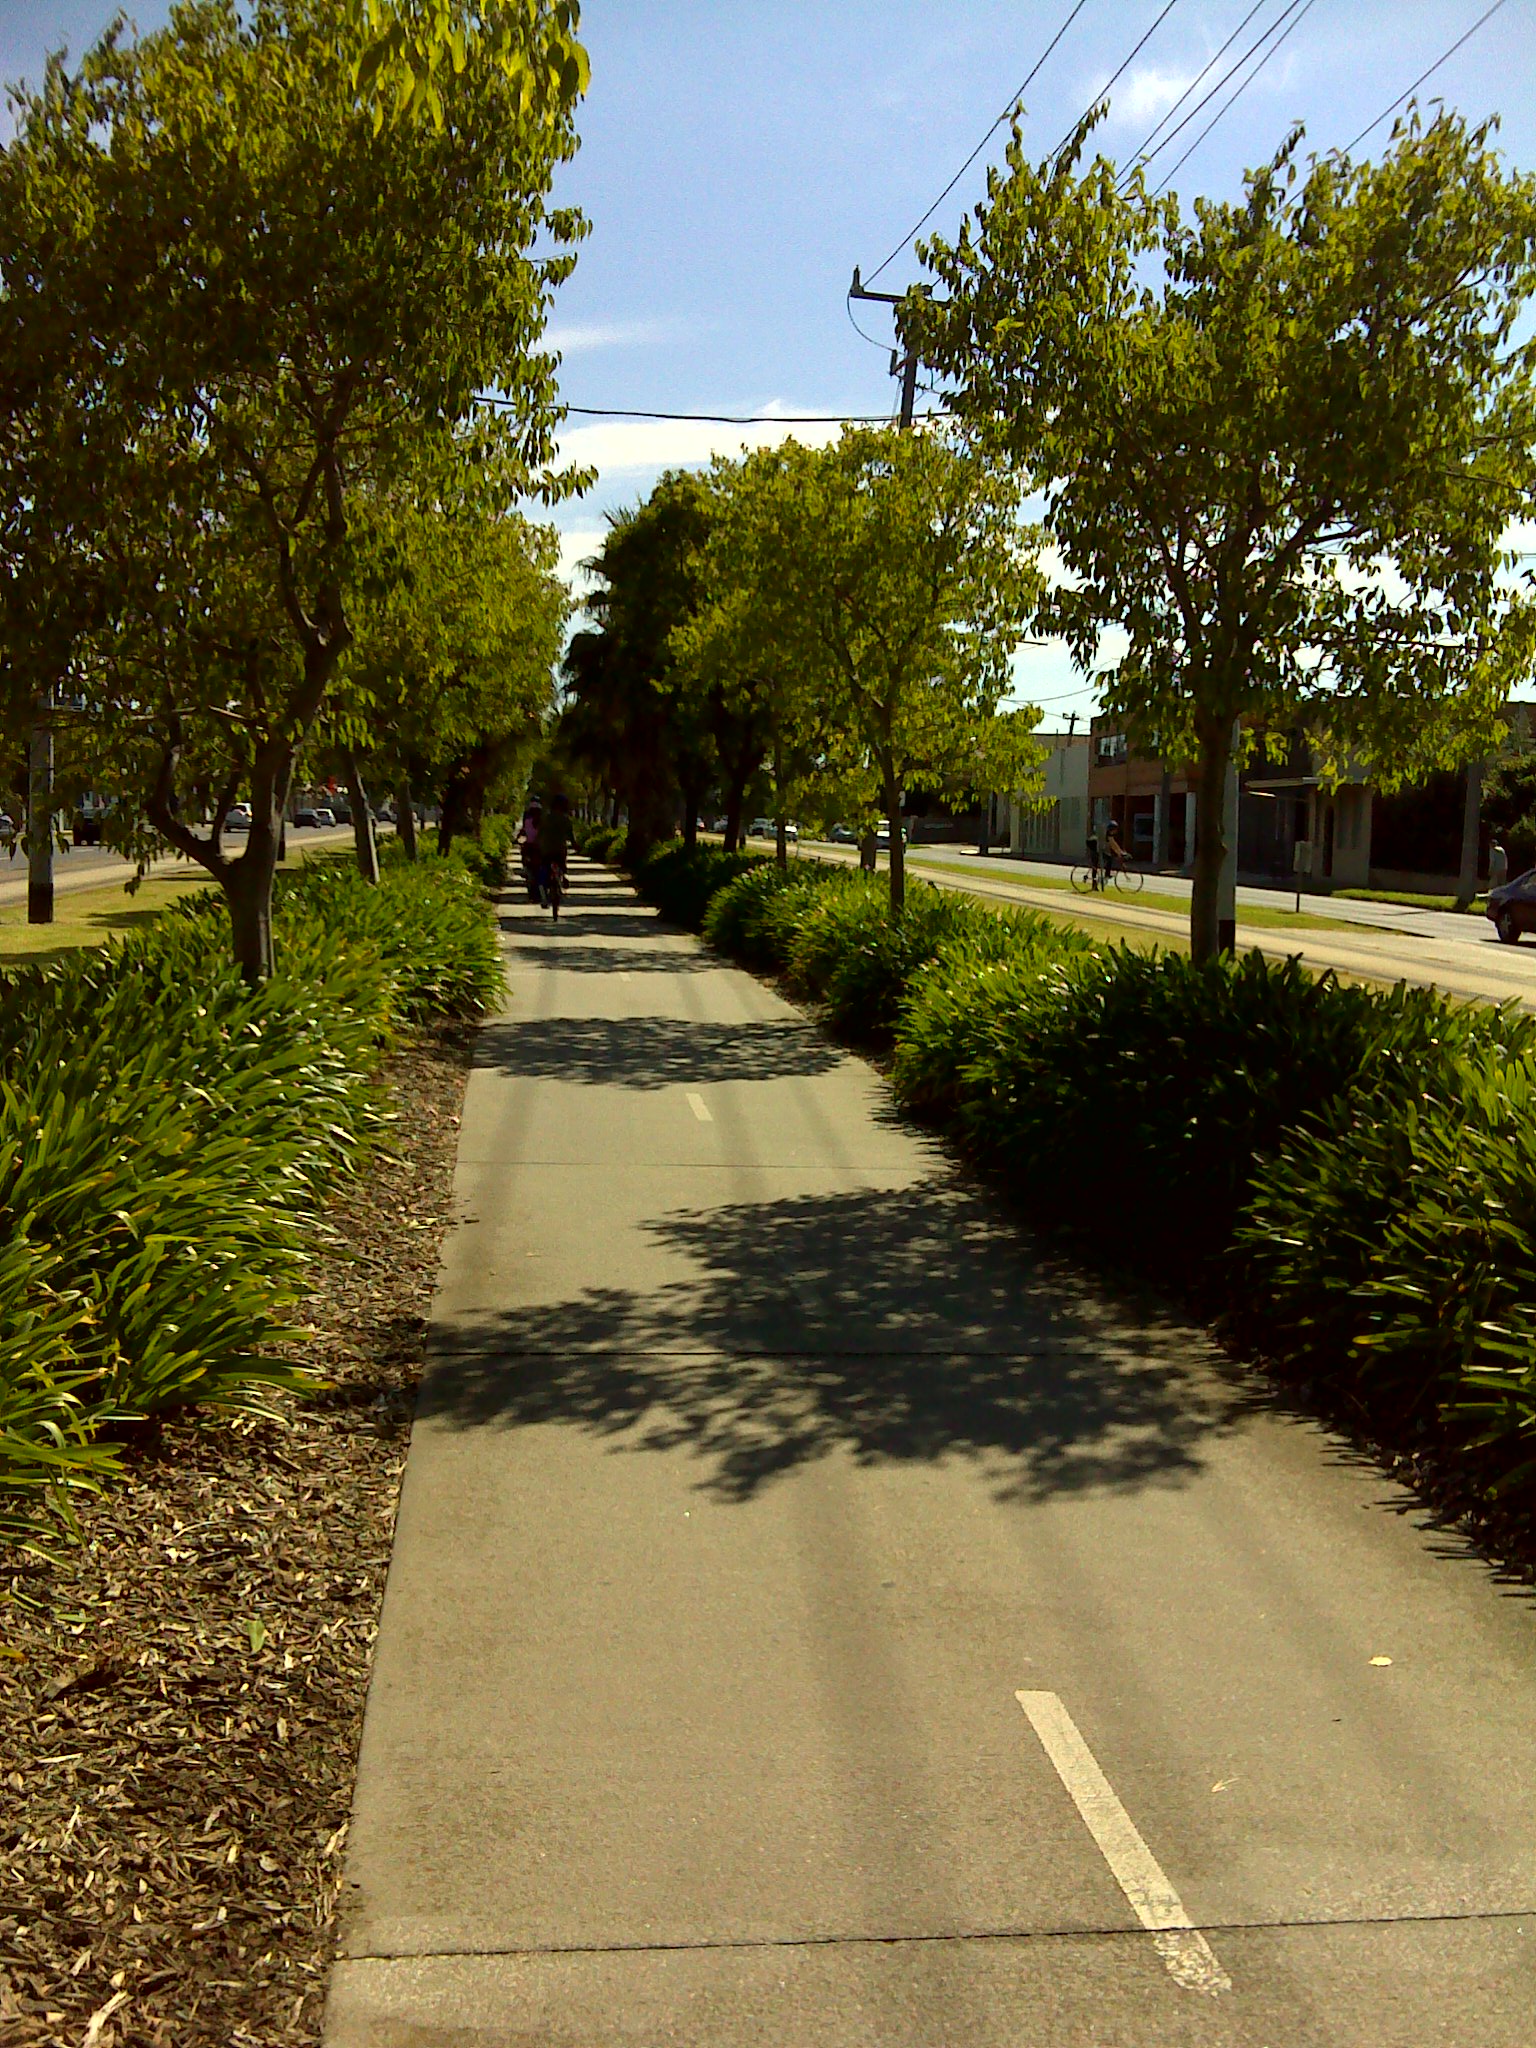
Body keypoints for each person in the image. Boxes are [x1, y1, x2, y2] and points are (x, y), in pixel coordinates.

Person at [534, 792, 574, 906]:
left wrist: (537, 844)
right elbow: (571, 837)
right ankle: (562, 878)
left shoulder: (545, 818)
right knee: (562, 867)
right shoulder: (566, 820)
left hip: (546, 851)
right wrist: (576, 845)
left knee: (542, 873)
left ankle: (543, 898)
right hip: (560, 851)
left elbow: (539, 834)